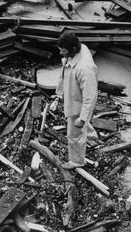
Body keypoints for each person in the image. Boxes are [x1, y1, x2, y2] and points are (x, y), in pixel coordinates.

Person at [54, 32, 98, 170]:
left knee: (74, 135)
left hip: (77, 105)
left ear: (73, 49)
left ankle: (77, 161)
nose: (60, 52)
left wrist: (83, 118)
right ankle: (92, 136)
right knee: (80, 125)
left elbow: (90, 97)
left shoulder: (84, 69)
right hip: (73, 93)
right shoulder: (81, 48)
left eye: (63, 50)